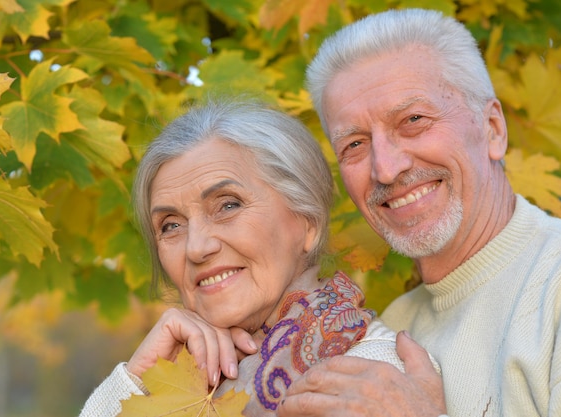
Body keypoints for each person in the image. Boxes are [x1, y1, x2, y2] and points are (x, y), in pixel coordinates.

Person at [276, 8, 561, 417]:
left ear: (492, 129)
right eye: (355, 145)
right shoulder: (387, 329)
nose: (386, 167)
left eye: (413, 120)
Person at [79, 98, 438, 417]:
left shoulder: (376, 378)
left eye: (228, 205)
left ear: (307, 223)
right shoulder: (175, 383)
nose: (196, 247)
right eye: (170, 225)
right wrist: (136, 383)